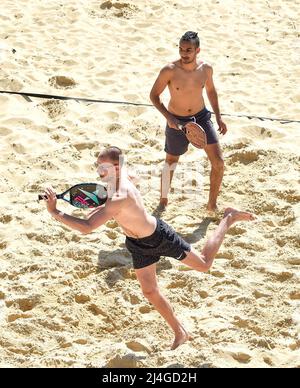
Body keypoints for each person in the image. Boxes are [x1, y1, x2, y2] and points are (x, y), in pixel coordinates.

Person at [42, 146, 255, 350]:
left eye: (102, 167)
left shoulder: (120, 195)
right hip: (137, 245)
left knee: (204, 264)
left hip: (159, 237)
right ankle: (180, 332)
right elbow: (130, 181)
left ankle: (228, 217)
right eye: (97, 166)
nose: (98, 171)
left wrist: (55, 212)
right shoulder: (117, 182)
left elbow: (88, 227)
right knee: (150, 291)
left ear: (116, 168)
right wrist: (102, 204)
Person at [150, 31, 227, 212]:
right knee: (171, 162)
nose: (184, 54)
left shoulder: (206, 69)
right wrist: (169, 118)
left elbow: (211, 92)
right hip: (176, 120)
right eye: (181, 49)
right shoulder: (169, 70)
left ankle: (211, 204)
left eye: (188, 50)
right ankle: (163, 200)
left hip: (201, 118)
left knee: (219, 163)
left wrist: (218, 116)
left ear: (197, 50)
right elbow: (154, 96)